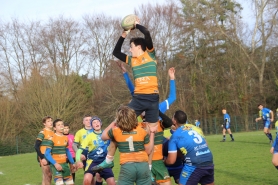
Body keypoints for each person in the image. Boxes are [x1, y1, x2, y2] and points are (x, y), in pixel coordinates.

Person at [112, 18, 159, 128]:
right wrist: (124, 34)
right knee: (121, 124)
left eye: (131, 47)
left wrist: (137, 25)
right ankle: (111, 144)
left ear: (138, 47)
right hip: (139, 98)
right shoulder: (132, 60)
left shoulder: (150, 54)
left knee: (151, 131)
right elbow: (116, 52)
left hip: (153, 98)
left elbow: (146, 33)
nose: (129, 50)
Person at [94, 106, 156, 185]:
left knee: (114, 139)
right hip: (143, 166)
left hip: (127, 167)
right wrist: (152, 133)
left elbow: (103, 136)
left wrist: (114, 121)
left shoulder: (116, 131)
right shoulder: (141, 130)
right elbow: (148, 150)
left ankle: (108, 160)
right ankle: (150, 170)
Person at [165, 110, 214, 185]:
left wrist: (163, 161)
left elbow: (171, 161)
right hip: (209, 160)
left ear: (174, 121)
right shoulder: (195, 128)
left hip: (194, 164)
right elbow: (205, 144)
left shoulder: (175, 136)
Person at [76, 116, 116, 185]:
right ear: (92, 126)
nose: (96, 123)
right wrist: (78, 160)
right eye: (94, 123)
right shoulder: (89, 136)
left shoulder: (107, 134)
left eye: (98, 122)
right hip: (92, 162)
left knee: (112, 183)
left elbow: (115, 143)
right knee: (87, 180)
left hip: (105, 162)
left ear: (101, 123)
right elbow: (79, 150)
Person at [44, 119, 76, 185]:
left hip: (65, 165)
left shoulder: (65, 138)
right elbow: (47, 153)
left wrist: (72, 163)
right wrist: (55, 164)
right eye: (58, 125)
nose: (61, 126)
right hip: (56, 165)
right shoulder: (52, 138)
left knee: (70, 183)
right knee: (59, 183)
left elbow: (67, 151)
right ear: (55, 128)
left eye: (62, 124)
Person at [34, 116, 54, 185]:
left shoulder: (53, 133)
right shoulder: (42, 132)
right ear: (44, 123)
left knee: (47, 176)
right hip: (43, 156)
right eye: (48, 121)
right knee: (48, 175)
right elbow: (36, 146)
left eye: (51, 120)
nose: (51, 122)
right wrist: (42, 158)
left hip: (50, 156)